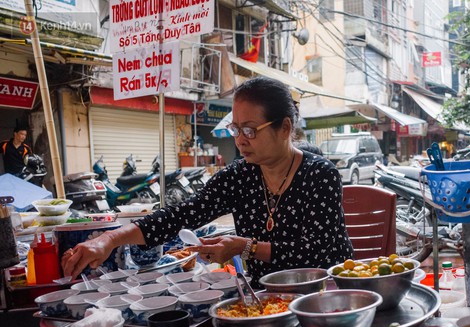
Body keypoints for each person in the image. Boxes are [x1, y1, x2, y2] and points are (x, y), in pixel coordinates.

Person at [63, 76, 354, 281]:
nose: (240, 141)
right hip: (265, 296)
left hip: (326, 291)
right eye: (235, 129)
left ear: (284, 127)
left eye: (250, 130)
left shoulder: (320, 174)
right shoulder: (241, 176)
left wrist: (244, 247)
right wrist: (111, 239)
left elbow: (320, 251)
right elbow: (183, 214)